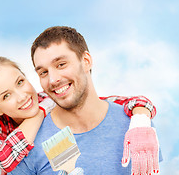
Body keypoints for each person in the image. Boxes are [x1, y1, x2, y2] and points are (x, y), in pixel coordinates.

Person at [0, 56, 157, 175]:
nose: (22, 96)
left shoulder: (45, 99)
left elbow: (107, 101)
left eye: (20, 82)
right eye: (6, 95)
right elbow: (4, 159)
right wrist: (38, 114)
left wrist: (141, 117)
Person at [9, 26, 161, 175]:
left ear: (86, 61)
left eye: (61, 64)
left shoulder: (136, 126)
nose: (53, 79)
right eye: (43, 72)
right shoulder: (30, 143)